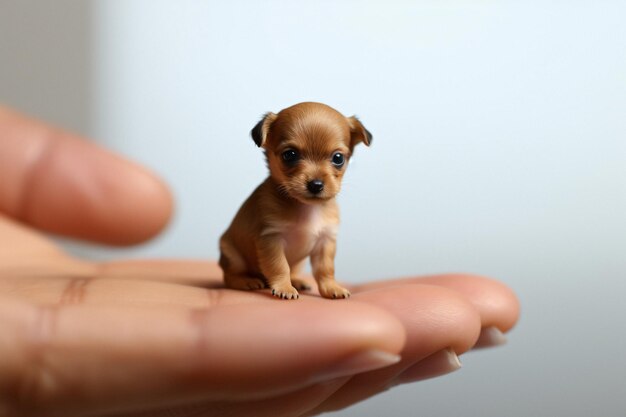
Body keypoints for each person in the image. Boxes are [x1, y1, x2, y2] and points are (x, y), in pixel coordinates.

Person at [0, 106, 520, 417]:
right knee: (241, 251)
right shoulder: (271, 205)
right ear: (267, 145)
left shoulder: (326, 208)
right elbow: (267, 242)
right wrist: (274, 278)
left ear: (352, 150)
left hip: (300, 273)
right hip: (242, 258)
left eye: (335, 160)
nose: (316, 175)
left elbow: (323, 243)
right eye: (292, 156)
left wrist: (326, 280)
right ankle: (243, 276)